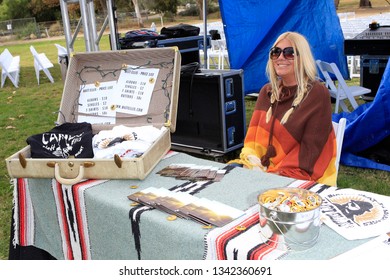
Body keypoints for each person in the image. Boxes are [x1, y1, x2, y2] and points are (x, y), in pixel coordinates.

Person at [230, 31, 337, 186]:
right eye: (276, 52)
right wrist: (252, 166)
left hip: (299, 173)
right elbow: (252, 144)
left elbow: (309, 154)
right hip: (263, 168)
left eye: (289, 53)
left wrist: (268, 175)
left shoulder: (317, 93)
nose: (281, 57)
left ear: (303, 58)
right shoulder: (267, 92)